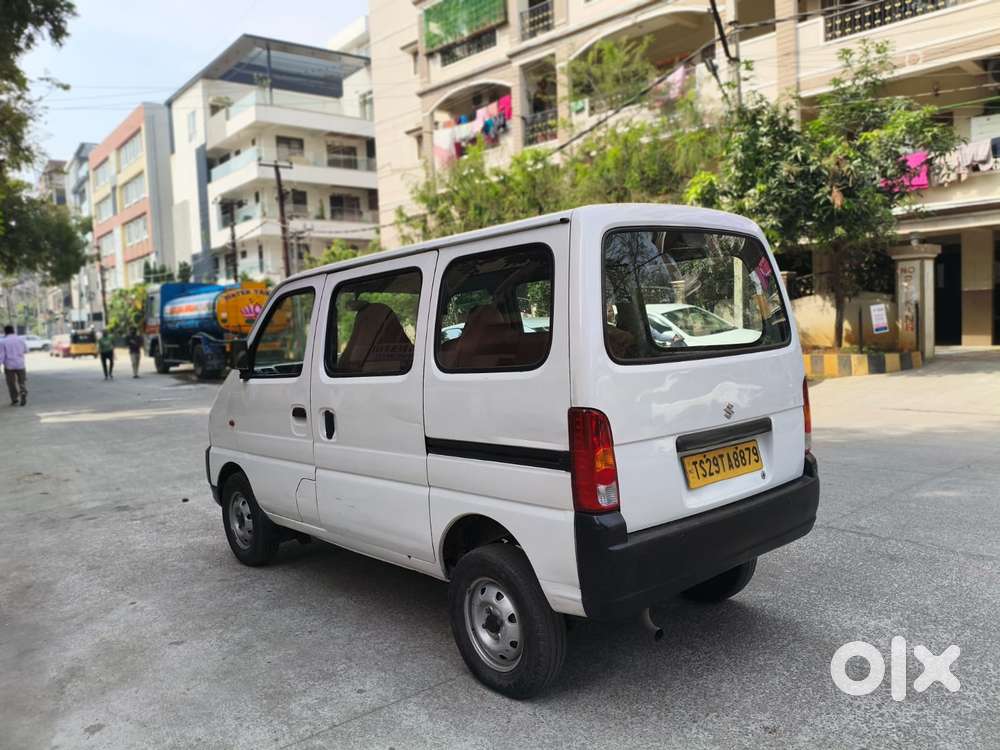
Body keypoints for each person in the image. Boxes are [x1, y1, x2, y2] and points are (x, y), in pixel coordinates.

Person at [0, 325, 28, 406]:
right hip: (20, 364)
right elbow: (26, 350)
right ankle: (23, 391)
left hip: (9, 366)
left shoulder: (3, 341)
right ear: (13, 331)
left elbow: (2, 355)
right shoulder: (21, 339)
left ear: (5, 332)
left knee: (11, 383)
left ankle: (14, 399)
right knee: (21, 381)